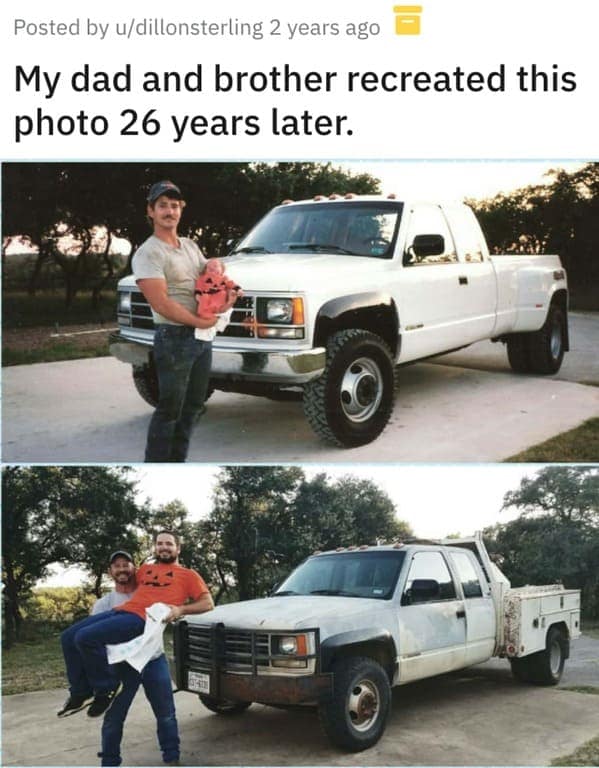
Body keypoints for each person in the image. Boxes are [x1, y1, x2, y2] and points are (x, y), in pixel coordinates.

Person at [132, 180, 239, 462]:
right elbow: (161, 303)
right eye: (163, 205)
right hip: (174, 338)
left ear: (182, 210)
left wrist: (223, 285)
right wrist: (199, 322)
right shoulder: (148, 253)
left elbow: (210, 274)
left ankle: (177, 461)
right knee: (171, 408)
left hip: (202, 338)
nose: (170, 211)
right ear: (151, 211)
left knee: (193, 407)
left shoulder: (190, 245)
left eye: (175, 206)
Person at [59, 530, 214, 720]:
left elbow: (208, 603)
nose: (163, 547)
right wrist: (119, 569)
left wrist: (179, 610)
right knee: (67, 637)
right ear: (155, 547)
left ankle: (107, 687)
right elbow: (123, 577)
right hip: (122, 611)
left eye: (168, 544)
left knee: (85, 638)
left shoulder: (188, 575)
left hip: (144, 618)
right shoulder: (145, 570)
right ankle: (80, 692)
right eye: (159, 543)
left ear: (178, 548)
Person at [92, 550, 180, 767]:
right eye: (117, 565)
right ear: (110, 571)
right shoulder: (104, 604)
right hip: (122, 667)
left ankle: (172, 758)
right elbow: (94, 641)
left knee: (166, 714)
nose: (122, 569)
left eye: (126, 564)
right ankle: (110, 762)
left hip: (154, 661)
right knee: (114, 718)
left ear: (135, 568)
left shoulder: (152, 594)